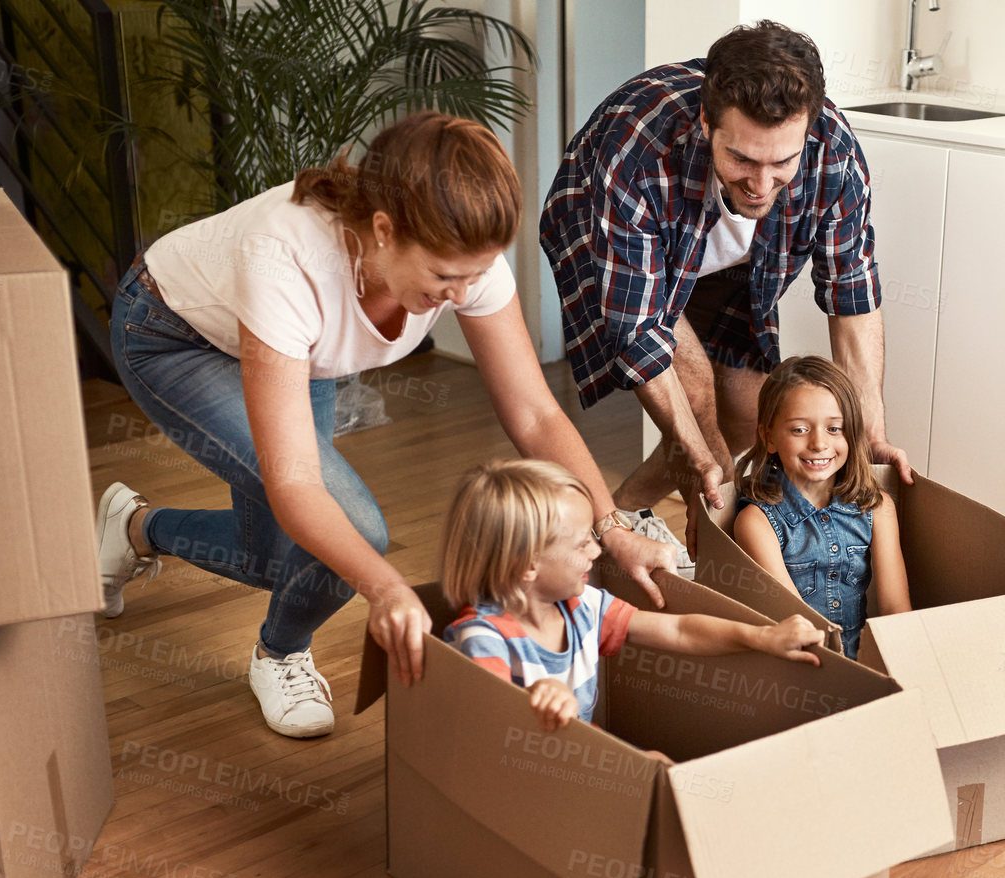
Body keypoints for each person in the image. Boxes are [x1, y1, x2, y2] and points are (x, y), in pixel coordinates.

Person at [99, 111, 673, 739]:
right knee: (355, 537)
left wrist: (610, 525)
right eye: (444, 277)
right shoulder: (286, 261)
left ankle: (136, 528)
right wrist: (388, 590)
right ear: (383, 230)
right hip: (172, 335)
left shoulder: (462, 258)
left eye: (477, 275)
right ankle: (279, 652)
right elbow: (297, 487)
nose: (462, 295)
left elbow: (535, 414)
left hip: (296, 353)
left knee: (285, 555)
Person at [539, 20, 913, 563]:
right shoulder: (636, 155)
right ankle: (656, 541)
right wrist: (703, 468)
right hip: (615, 233)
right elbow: (643, 331)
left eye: (782, 163)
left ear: (807, 132)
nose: (762, 185)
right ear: (707, 122)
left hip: (733, 258)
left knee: (747, 411)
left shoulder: (836, 155)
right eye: (742, 159)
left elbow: (851, 297)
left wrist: (871, 434)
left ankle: (621, 512)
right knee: (704, 439)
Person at [440, 459, 825, 730]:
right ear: (526, 566)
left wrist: (761, 636)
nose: (596, 550)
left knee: (657, 766)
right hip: (528, 787)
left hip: (572, 764)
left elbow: (679, 632)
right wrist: (530, 704)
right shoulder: (483, 639)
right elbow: (486, 737)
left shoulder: (581, 608)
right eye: (580, 545)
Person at [732, 355, 910, 660]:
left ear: (852, 434)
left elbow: (896, 610)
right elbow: (791, 621)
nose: (818, 443)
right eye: (800, 429)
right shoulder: (756, 522)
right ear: (769, 437)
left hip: (866, 662)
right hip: (801, 665)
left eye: (834, 429)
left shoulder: (877, 508)